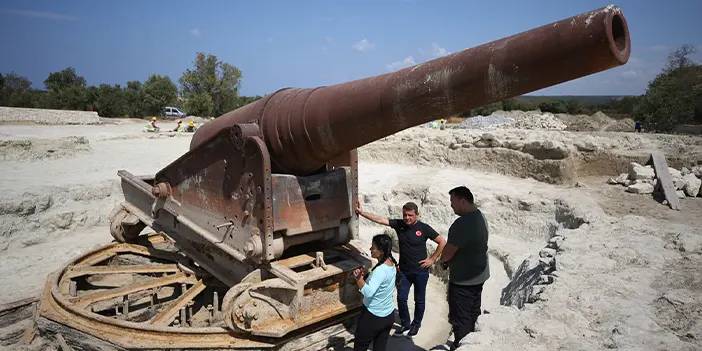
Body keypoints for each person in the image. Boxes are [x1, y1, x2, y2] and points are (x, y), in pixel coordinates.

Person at [356, 202, 446, 338]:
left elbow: (442, 241)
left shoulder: (424, 228)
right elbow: (380, 219)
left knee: (419, 300)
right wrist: (362, 213)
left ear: (417, 214)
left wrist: (432, 259)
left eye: (410, 215)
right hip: (404, 271)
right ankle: (406, 323)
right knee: (401, 298)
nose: (407, 218)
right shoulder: (400, 225)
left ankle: (416, 324)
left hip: (421, 271)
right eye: (405, 215)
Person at [439, 186, 489, 350]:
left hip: (463, 282)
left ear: (462, 200)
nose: (451, 205)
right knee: (474, 312)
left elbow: (447, 254)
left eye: (452, 201)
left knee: (461, 319)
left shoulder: (462, 223)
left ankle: (462, 345)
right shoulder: (479, 216)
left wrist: (442, 262)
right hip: (478, 277)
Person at [352, 234, 397, 351]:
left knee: (360, 347)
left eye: (373, 247)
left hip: (373, 317)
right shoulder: (391, 262)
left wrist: (359, 279)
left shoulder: (380, 271)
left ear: (381, 251)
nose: (370, 249)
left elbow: (368, 292)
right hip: (388, 315)